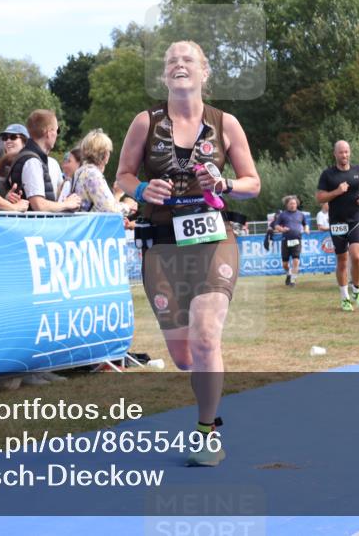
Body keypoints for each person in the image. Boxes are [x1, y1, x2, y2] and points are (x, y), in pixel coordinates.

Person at [116, 40, 260, 467]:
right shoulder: (145, 122)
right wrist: (142, 189)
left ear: (204, 71)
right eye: (172, 61)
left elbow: (253, 180)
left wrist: (227, 185)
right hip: (162, 245)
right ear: (165, 75)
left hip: (214, 238)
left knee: (206, 335)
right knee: (183, 357)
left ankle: (206, 432)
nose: (180, 65)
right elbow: (122, 175)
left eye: (188, 60)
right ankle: (204, 384)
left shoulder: (225, 123)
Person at [316, 140, 359, 312]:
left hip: (355, 219)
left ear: (350, 152)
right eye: (341, 152)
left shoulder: (358, 170)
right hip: (337, 222)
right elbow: (320, 197)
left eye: (346, 152)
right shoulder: (328, 175)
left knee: (357, 256)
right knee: (342, 260)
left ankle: (356, 290)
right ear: (335, 154)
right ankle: (344, 298)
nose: (344, 155)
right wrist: (336, 192)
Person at [9, 110, 81, 212]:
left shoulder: (31, 157)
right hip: (33, 226)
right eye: (57, 130)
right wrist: (66, 204)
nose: (57, 134)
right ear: (48, 132)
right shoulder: (32, 161)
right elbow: (39, 205)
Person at [71, 130, 126, 213]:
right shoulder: (93, 174)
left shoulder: (80, 171)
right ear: (105, 154)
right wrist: (128, 205)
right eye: (108, 151)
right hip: (91, 225)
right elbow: (109, 210)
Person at [270, 195, 309, 287]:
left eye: (294, 203)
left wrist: (306, 229)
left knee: (296, 260)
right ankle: (289, 273)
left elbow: (305, 224)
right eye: (291, 203)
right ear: (287, 204)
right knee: (285, 264)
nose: (293, 205)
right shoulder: (282, 215)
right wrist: (282, 229)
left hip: (297, 240)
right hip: (286, 240)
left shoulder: (301, 214)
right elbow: (276, 226)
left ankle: (293, 280)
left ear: (297, 204)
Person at [0, 123, 29, 197]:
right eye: (5, 138)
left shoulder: (31, 164)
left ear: (25, 141)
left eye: (13, 137)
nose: (8, 141)